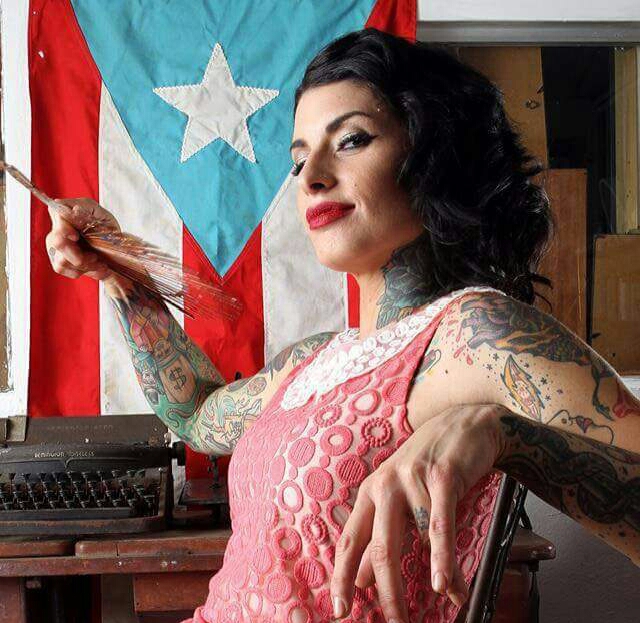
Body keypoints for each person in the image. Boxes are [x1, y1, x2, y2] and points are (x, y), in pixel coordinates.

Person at [45, 28, 639, 623]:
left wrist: (505, 433)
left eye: (351, 140)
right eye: (299, 159)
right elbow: (197, 414)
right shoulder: (316, 359)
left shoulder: (477, 332)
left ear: (433, 155)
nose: (311, 177)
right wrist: (117, 272)